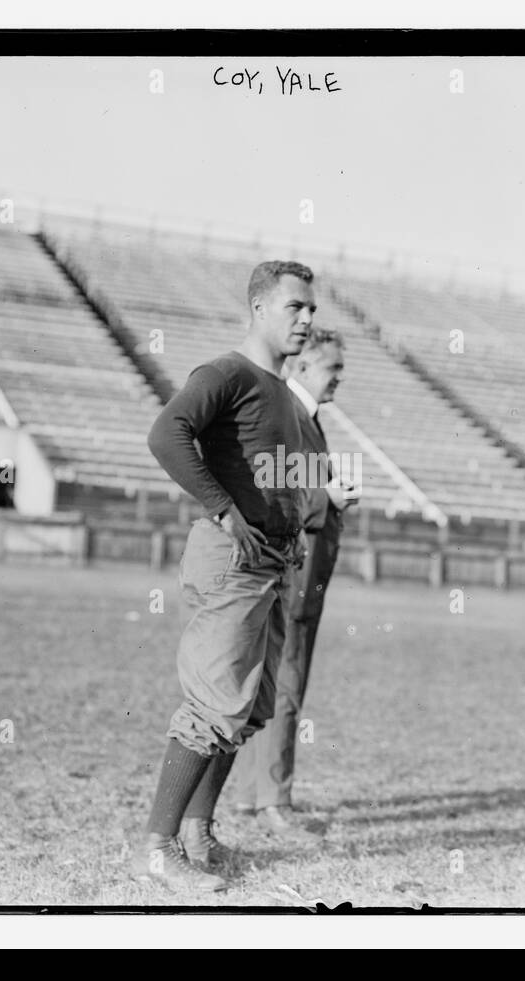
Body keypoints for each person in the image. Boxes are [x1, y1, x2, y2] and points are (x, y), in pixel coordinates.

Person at [134, 260, 316, 894]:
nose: (306, 319)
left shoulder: (284, 395)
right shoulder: (227, 373)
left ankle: (197, 834)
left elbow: (280, 478)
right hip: (230, 561)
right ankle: (158, 848)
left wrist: (291, 532)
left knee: (248, 707)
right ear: (260, 307)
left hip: (270, 566)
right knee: (215, 703)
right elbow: (167, 434)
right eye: (295, 307)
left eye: (311, 309)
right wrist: (223, 507)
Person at [228, 327, 357, 837]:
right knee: (286, 686)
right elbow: (286, 493)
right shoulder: (292, 416)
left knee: (273, 683)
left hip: (301, 569)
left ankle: (250, 794)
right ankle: (273, 801)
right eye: (333, 369)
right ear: (304, 366)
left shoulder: (304, 417)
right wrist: (331, 499)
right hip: (297, 571)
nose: (339, 380)